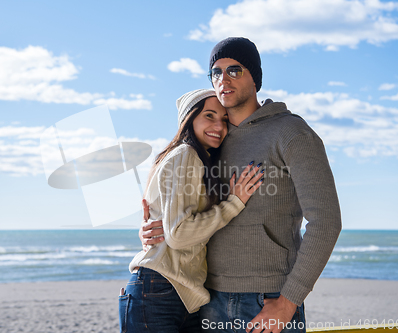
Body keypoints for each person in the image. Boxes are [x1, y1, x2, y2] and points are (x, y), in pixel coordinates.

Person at [140, 37, 342, 333]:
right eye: (216, 72)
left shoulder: (291, 133)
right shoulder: (210, 142)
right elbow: (181, 204)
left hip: (267, 301)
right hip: (207, 300)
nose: (224, 79)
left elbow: (326, 221)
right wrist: (153, 225)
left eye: (235, 70)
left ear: (256, 78)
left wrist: (288, 301)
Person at [119, 88, 265, 333]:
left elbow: (167, 224)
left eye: (224, 119)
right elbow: (178, 234)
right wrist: (234, 203)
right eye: (209, 115)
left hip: (180, 295)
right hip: (160, 290)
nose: (219, 126)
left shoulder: (196, 160)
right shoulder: (186, 154)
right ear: (189, 118)